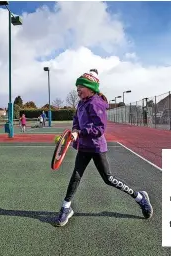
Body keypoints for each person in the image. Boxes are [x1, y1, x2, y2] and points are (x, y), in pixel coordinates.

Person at [54, 69, 153, 227]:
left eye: (80, 86)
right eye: (77, 87)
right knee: (76, 176)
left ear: (90, 88)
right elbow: (76, 120)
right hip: (84, 147)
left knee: (108, 179)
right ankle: (66, 207)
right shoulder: (81, 103)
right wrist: (75, 130)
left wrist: (80, 132)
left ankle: (140, 197)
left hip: (96, 147)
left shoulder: (96, 103)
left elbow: (99, 129)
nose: (77, 90)